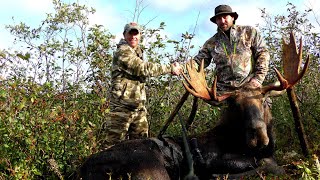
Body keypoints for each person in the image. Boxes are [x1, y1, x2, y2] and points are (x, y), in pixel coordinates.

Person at [99, 22, 183, 148]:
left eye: (136, 33)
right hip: (121, 108)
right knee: (110, 148)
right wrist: (170, 68)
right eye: (130, 33)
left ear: (140, 35)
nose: (133, 37)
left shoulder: (137, 52)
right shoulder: (123, 52)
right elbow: (142, 68)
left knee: (141, 148)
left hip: (138, 109)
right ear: (124, 35)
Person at [192, 4, 270, 91]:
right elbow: (198, 62)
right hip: (223, 92)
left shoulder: (249, 32)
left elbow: (263, 53)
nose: (222, 21)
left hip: (248, 88)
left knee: (263, 103)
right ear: (216, 22)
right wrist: (181, 68)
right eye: (218, 19)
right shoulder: (211, 43)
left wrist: (258, 79)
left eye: (225, 17)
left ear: (232, 17)